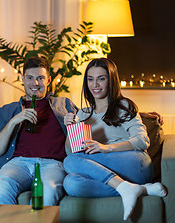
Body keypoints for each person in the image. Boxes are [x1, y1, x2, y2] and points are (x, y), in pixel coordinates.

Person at [63, 58, 167, 221]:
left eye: (101, 78)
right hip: (109, 171)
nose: (95, 84)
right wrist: (71, 128)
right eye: (90, 79)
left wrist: (106, 148)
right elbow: (72, 152)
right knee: (71, 183)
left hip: (135, 163)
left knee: (70, 161)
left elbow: (142, 141)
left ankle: (132, 186)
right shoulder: (83, 114)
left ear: (111, 80)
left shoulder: (124, 106)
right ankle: (137, 189)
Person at [0, 57, 78, 206]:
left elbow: (78, 146)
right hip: (17, 164)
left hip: (52, 164)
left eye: (40, 78)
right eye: (30, 78)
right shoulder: (7, 110)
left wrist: (72, 126)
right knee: (0, 186)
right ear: (22, 79)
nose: (35, 83)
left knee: (48, 190)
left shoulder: (64, 105)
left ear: (48, 80)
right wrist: (14, 121)